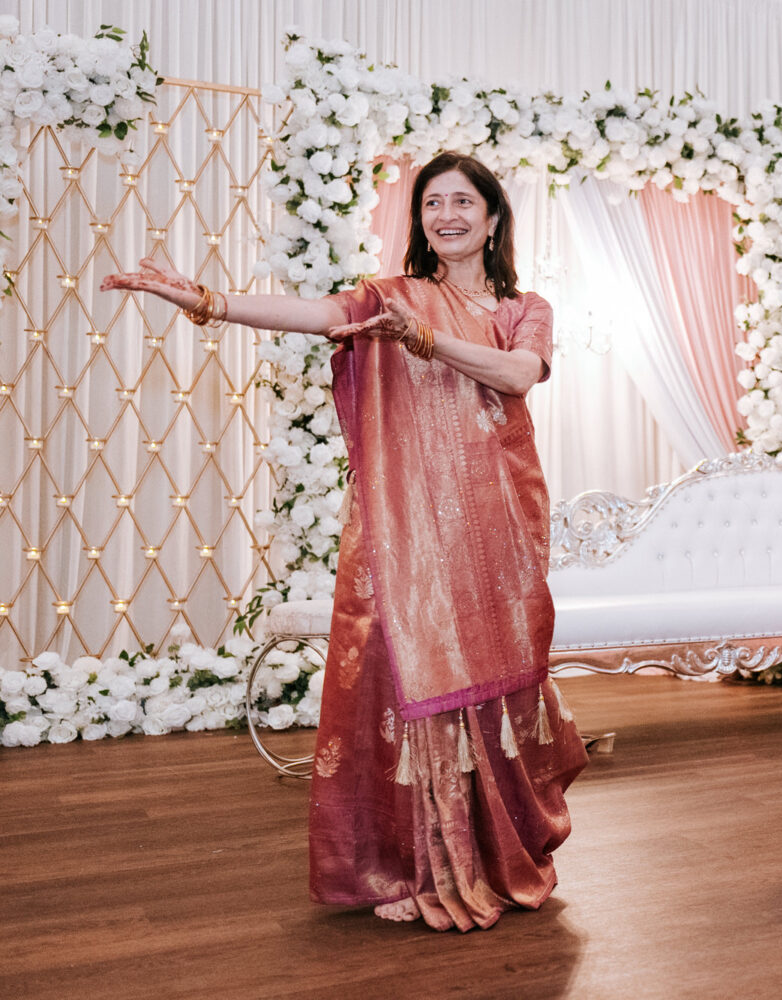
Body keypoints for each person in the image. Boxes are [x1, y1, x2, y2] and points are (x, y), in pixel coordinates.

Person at [103, 151, 588, 930]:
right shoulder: (389, 298)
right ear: (421, 220)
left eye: (464, 201)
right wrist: (204, 299)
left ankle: (502, 853)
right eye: (433, 203)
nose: (448, 215)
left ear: (493, 217)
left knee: (498, 678)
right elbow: (315, 313)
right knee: (407, 674)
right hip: (413, 528)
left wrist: (424, 340)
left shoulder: (523, 307)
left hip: (496, 525)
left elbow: (518, 375)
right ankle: (421, 860)